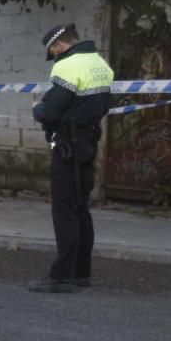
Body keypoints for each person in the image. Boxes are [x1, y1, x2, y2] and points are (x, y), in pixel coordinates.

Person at [29, 23, 114, 293]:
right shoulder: (100, 63)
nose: (53, 57)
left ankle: (62, 277)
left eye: (52, 52)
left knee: (64, 210)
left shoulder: (66, 66)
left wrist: (37, 108)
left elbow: (50, 111)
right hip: (88, 142)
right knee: (80, 207)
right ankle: (81, 272)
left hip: (67, 145)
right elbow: (104, 104)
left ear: (58, 46)